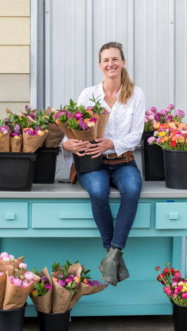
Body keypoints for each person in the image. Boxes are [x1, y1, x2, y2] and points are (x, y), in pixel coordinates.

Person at [61, 42, 145, 286]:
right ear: (100, 65)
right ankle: (113, 254)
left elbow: (136, 134)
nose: (111, 64)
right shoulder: (89, 94)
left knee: (132, 189)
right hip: (92, 164)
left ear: (123, 63)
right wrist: (66, 144)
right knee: (98, 191)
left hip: (123, 161)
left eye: (115, 59)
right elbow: (73, 126)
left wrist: (111, 143)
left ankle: (113, 254)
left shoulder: (135, 94)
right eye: (106, 60)